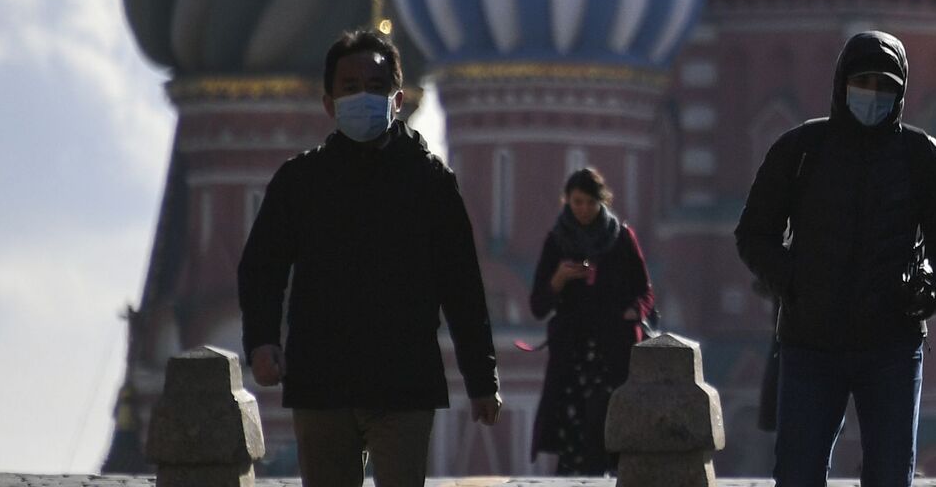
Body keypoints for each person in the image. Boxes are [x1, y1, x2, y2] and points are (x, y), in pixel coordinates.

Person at [238, 30, 501, 487]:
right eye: (351, 88)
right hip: (322, 380)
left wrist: (482, 379)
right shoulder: (302, 181)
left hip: (403, 382)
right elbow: (262, 267)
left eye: (377, 88)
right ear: (329, 103)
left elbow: (461, 287)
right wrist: (262, 341)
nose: (364, 97)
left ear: (398, 100)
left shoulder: (430, 182)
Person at [734, 30, 936, 487]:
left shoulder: (922, 158)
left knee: (889, 474)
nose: (873, 95)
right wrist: (793, 281)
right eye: (863, 82)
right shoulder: (801, 150)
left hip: (892, 345)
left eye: (886, 86)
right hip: (810, 343)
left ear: (901, 92)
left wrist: (930, 288)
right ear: (842, 82)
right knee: (798, 473)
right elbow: (754, 234)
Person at [527, 167, 656, 475]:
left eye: (589, 202)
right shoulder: (557, 242)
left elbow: (645, 292)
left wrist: (632, 312)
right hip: (572, 357)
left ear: (602, 202)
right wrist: (559, 278)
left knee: (608, 427)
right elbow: (538, 305)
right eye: (577, 202)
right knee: (573, 435)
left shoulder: (622, 238)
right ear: (567, 202)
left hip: (613, 353)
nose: (583, 209)